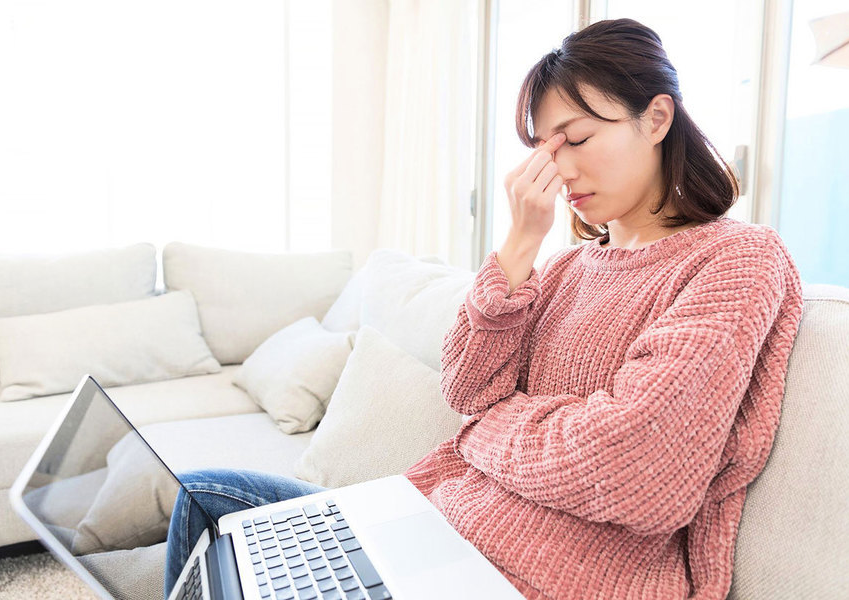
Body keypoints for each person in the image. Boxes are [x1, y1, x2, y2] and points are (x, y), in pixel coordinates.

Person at [164, 17, 805, 600]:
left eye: (576, 138)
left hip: (538, 578)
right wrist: (521, 243)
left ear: (657, 119)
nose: (557, 169)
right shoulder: (562, 268)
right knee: (201, 497)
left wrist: (493, 427)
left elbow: (636, 468)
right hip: (427, 525)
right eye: (544, 149)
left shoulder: (736, 259)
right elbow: (468, 387)